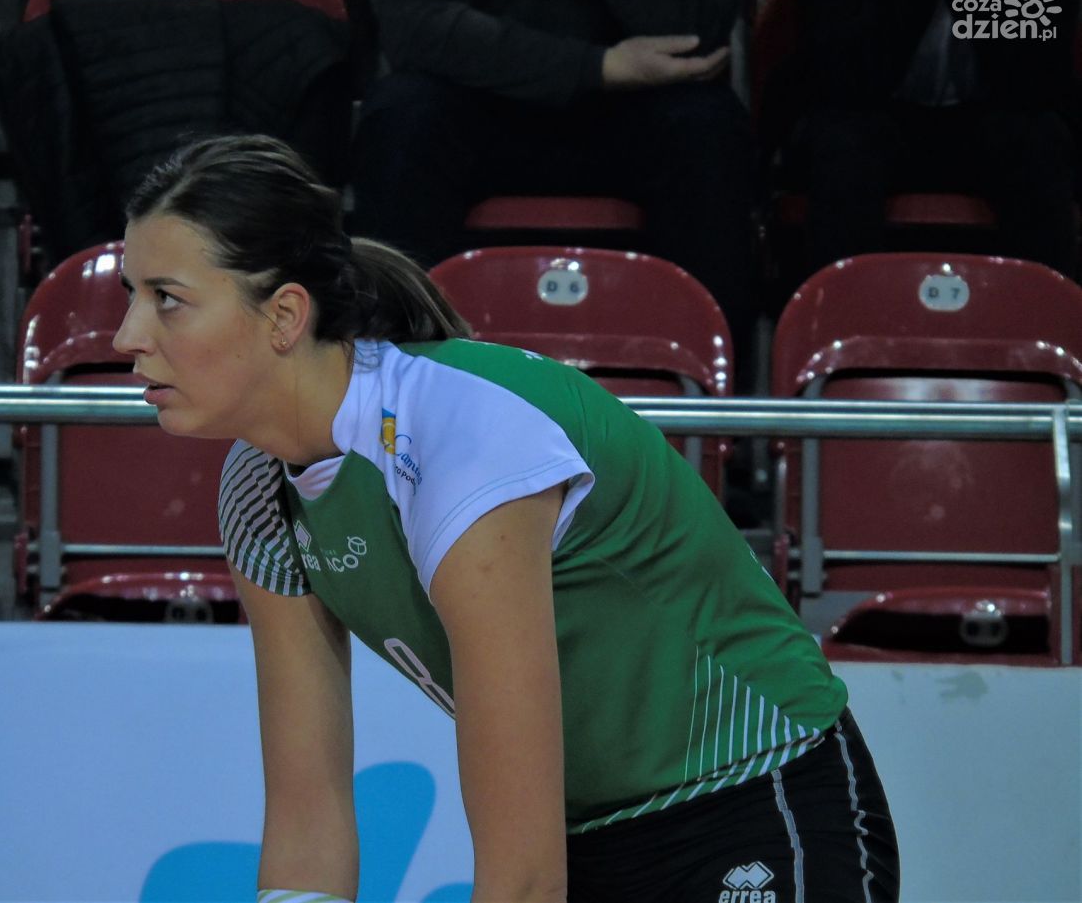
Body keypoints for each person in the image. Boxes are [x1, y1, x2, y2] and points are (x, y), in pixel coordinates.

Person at [113, 134, 900, 902]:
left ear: (285, 315)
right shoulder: (256, 482)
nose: (127, 337)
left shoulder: (454, 432)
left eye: (167, 300)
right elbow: (308, 818)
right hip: (590, 838)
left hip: (754, 797)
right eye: (130, 296)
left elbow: (523, 882)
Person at [350, 0, 760, 371]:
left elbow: (698, 27)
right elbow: (418, 25)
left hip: (645, 105)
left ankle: (713, 388)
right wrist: (596, 67)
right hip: (480, 96)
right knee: (402, 116)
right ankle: (391, 377)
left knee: (708, 127)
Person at [786, 0, 1080, 284]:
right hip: (873, 107)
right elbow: (839, 72)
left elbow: (1039, 77)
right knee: (842, 147)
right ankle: (842, 310)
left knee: (1039, 145)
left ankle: (1044, 311)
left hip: (996, 109)